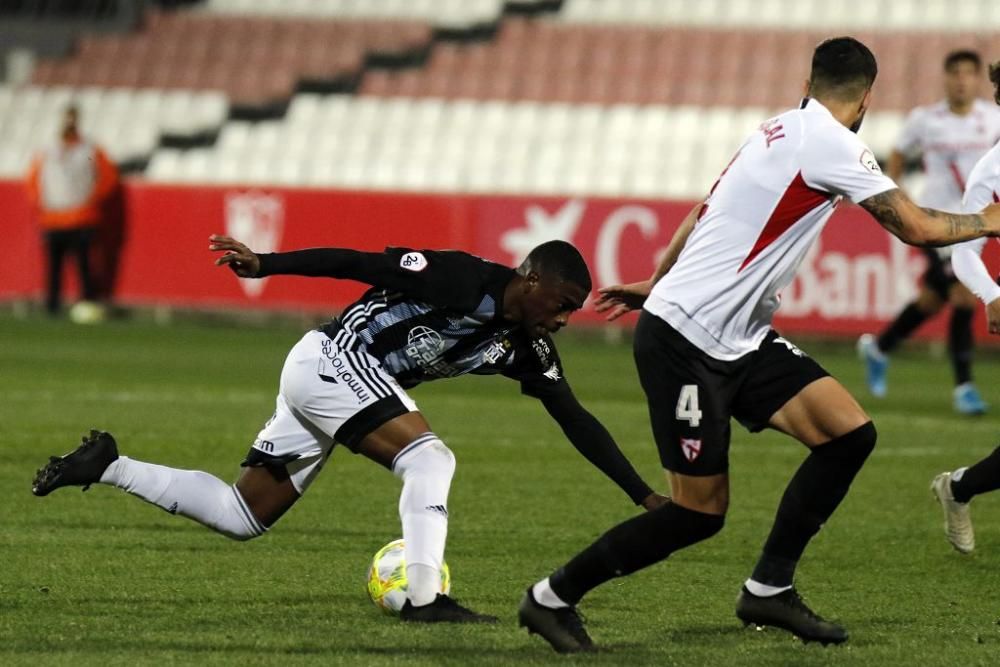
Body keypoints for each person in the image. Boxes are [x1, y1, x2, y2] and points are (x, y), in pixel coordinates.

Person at [516, 36, 1000, 654]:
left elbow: (703, 209)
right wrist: (989, 220)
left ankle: (769, 588)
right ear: (866, 98)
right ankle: (550, 598)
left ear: (811, 80)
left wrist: (655, 280)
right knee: (698, 512)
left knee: (848, 434)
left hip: (737, 338)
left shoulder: (776, 128)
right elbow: (918, 227)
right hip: (685, 341)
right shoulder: (834, 144)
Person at [32, 236, 668, 623]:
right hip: (331, 358)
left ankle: (109, 464)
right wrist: (267, 264)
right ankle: (424, 598)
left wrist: (644, 498)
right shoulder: (460, 278)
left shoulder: (526, 348)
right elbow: (355, 262)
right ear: (530, 282)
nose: (562, 320)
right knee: (430, 459)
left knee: (241, 514)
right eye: (560, 304)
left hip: (340, 389)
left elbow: (578, 422)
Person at [857, 50, 1000, 414]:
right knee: (964, 296)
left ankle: (880, 347)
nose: (962, 80)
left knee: (933, 300)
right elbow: (899, 154)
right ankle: (965, 388)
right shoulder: (924, 120)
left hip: (979, 218)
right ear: (946, 77)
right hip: (939, 223)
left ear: (976, 80)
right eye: (955, 73)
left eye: (969, 74)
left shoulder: (991, 118)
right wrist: (900, 196)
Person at [932, 60, 1000, 554]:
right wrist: (993, 295)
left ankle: (957, 487)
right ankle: (957, 488)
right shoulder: (991, 171)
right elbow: (964, 251)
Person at [26, 105, 120, 317]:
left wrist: (91, 200)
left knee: (84, 266)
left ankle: (87, 304)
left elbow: (108, 178)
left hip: (82, 217)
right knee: (54, 268)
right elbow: (33, 180)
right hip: (53, 218)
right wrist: (42, 204)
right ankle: (52, 307)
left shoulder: (89, 149)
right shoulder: (47, 149)